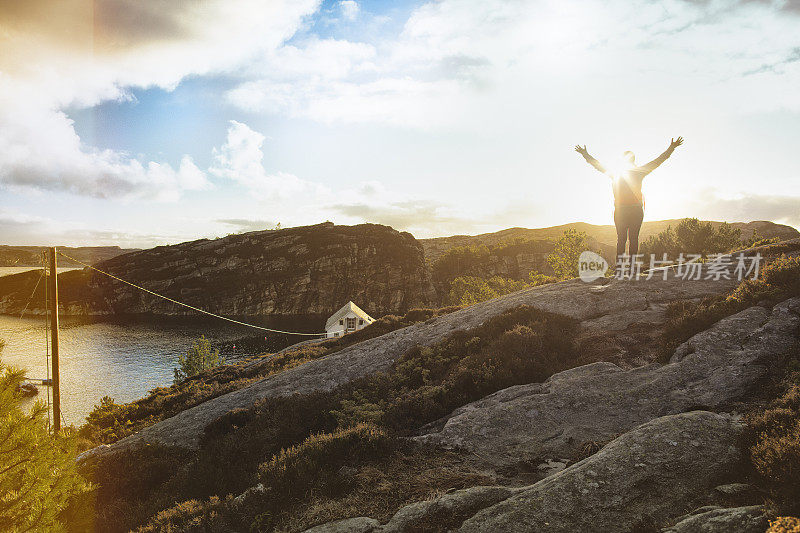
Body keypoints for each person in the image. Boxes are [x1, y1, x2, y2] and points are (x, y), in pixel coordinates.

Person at [575, 137, 683, 258]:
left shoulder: (615, 173)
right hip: (635, 210)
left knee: (621, 240)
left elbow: (597, 165)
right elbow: (658, 161)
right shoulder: (639, 172)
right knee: (633, 239)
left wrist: (585, 154)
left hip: (621, 210)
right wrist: (671, 148)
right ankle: (631, 268)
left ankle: (620, 269)